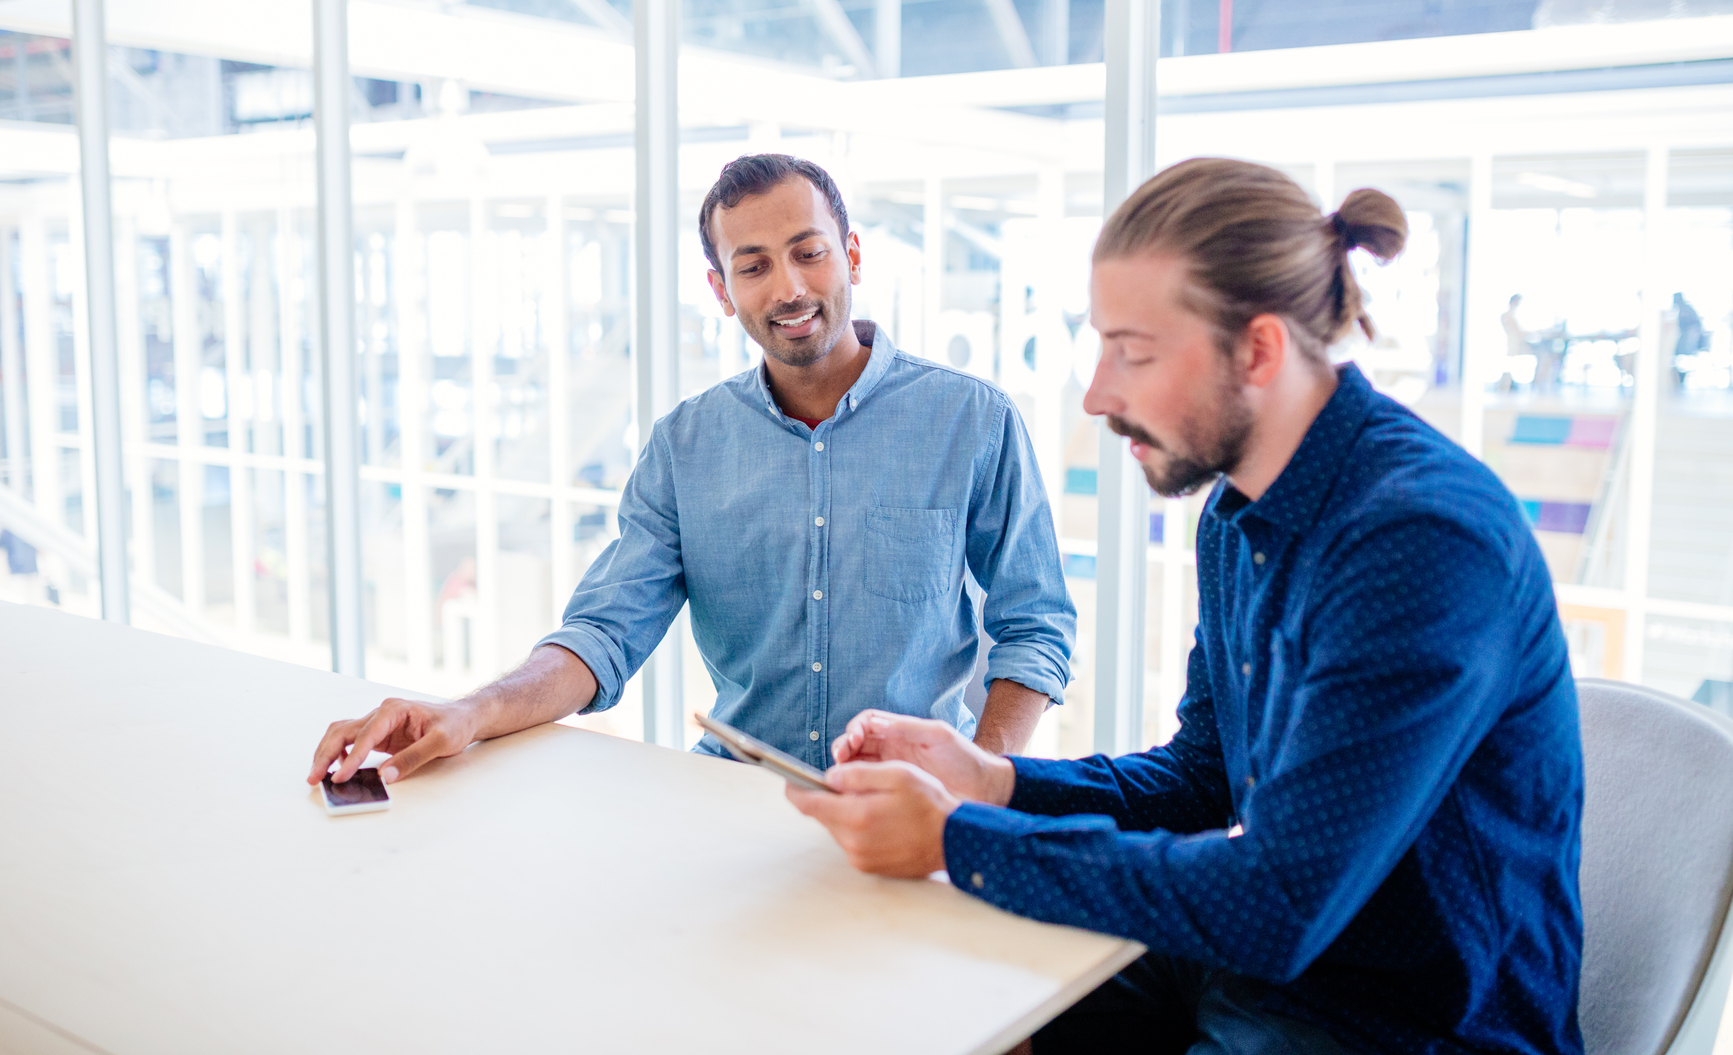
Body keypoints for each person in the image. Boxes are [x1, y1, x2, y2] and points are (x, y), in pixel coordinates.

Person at [787, 158, 1584, 1055]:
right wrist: (992, 783)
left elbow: (1277, 900)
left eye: (1134, 351)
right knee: (937, 996)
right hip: (1265, 969)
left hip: (1400, 1022)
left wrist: (956, 837)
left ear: (1258, 349)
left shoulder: (1420, 542)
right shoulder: (1236, 512)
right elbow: (1202, 780)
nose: (1096, 394)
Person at [309, 154, 1074, 789]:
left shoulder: (971, 419)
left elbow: (1033, 624)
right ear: (721, 290)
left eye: (809, 251)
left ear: (853, 256)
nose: (790, 288)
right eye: (754, 265)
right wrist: (466, 712)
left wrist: (982, 780)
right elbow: (603, 633)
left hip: (917, 798)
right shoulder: (684, 445)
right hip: (731, 799)